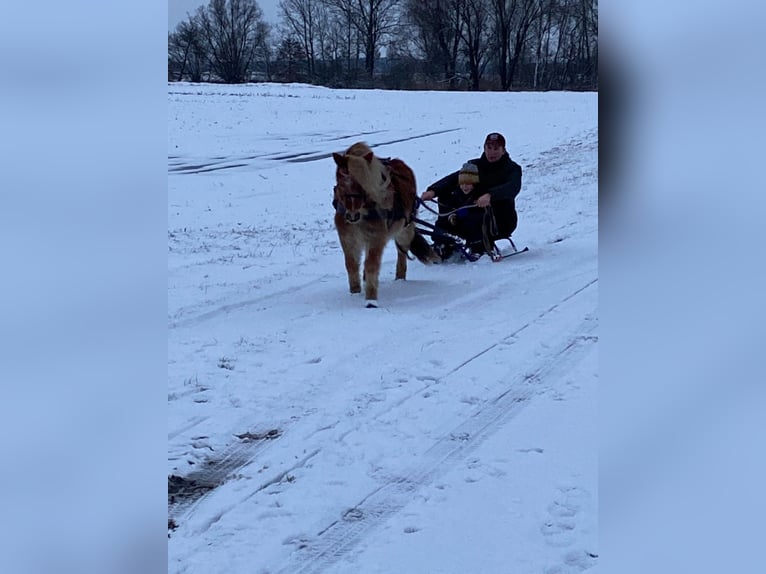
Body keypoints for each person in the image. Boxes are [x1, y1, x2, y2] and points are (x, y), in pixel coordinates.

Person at [421, 132, 522, 259]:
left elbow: (512, 187)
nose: (492, 152)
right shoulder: (475, 166)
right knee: (448, 203)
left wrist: (490, 195)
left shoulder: (512, 169)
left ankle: (480, 247)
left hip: (500, 219)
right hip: (471, 212)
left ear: (503, 150)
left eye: (496, 149)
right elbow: (454, 178)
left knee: (475, 217)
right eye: (489, 148)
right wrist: (434, 191)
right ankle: (443, 244)